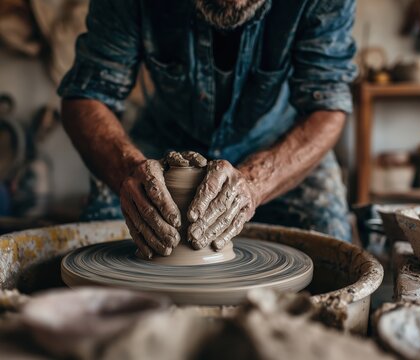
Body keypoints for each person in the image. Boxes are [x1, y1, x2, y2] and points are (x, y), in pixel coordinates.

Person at [59, 0, 357, 259]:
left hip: (278, 143)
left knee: (331, 250)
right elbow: (88, 96)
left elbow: (327, 105)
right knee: (97, 246)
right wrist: (127, 170)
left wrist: (255, 182)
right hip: (161, 143)